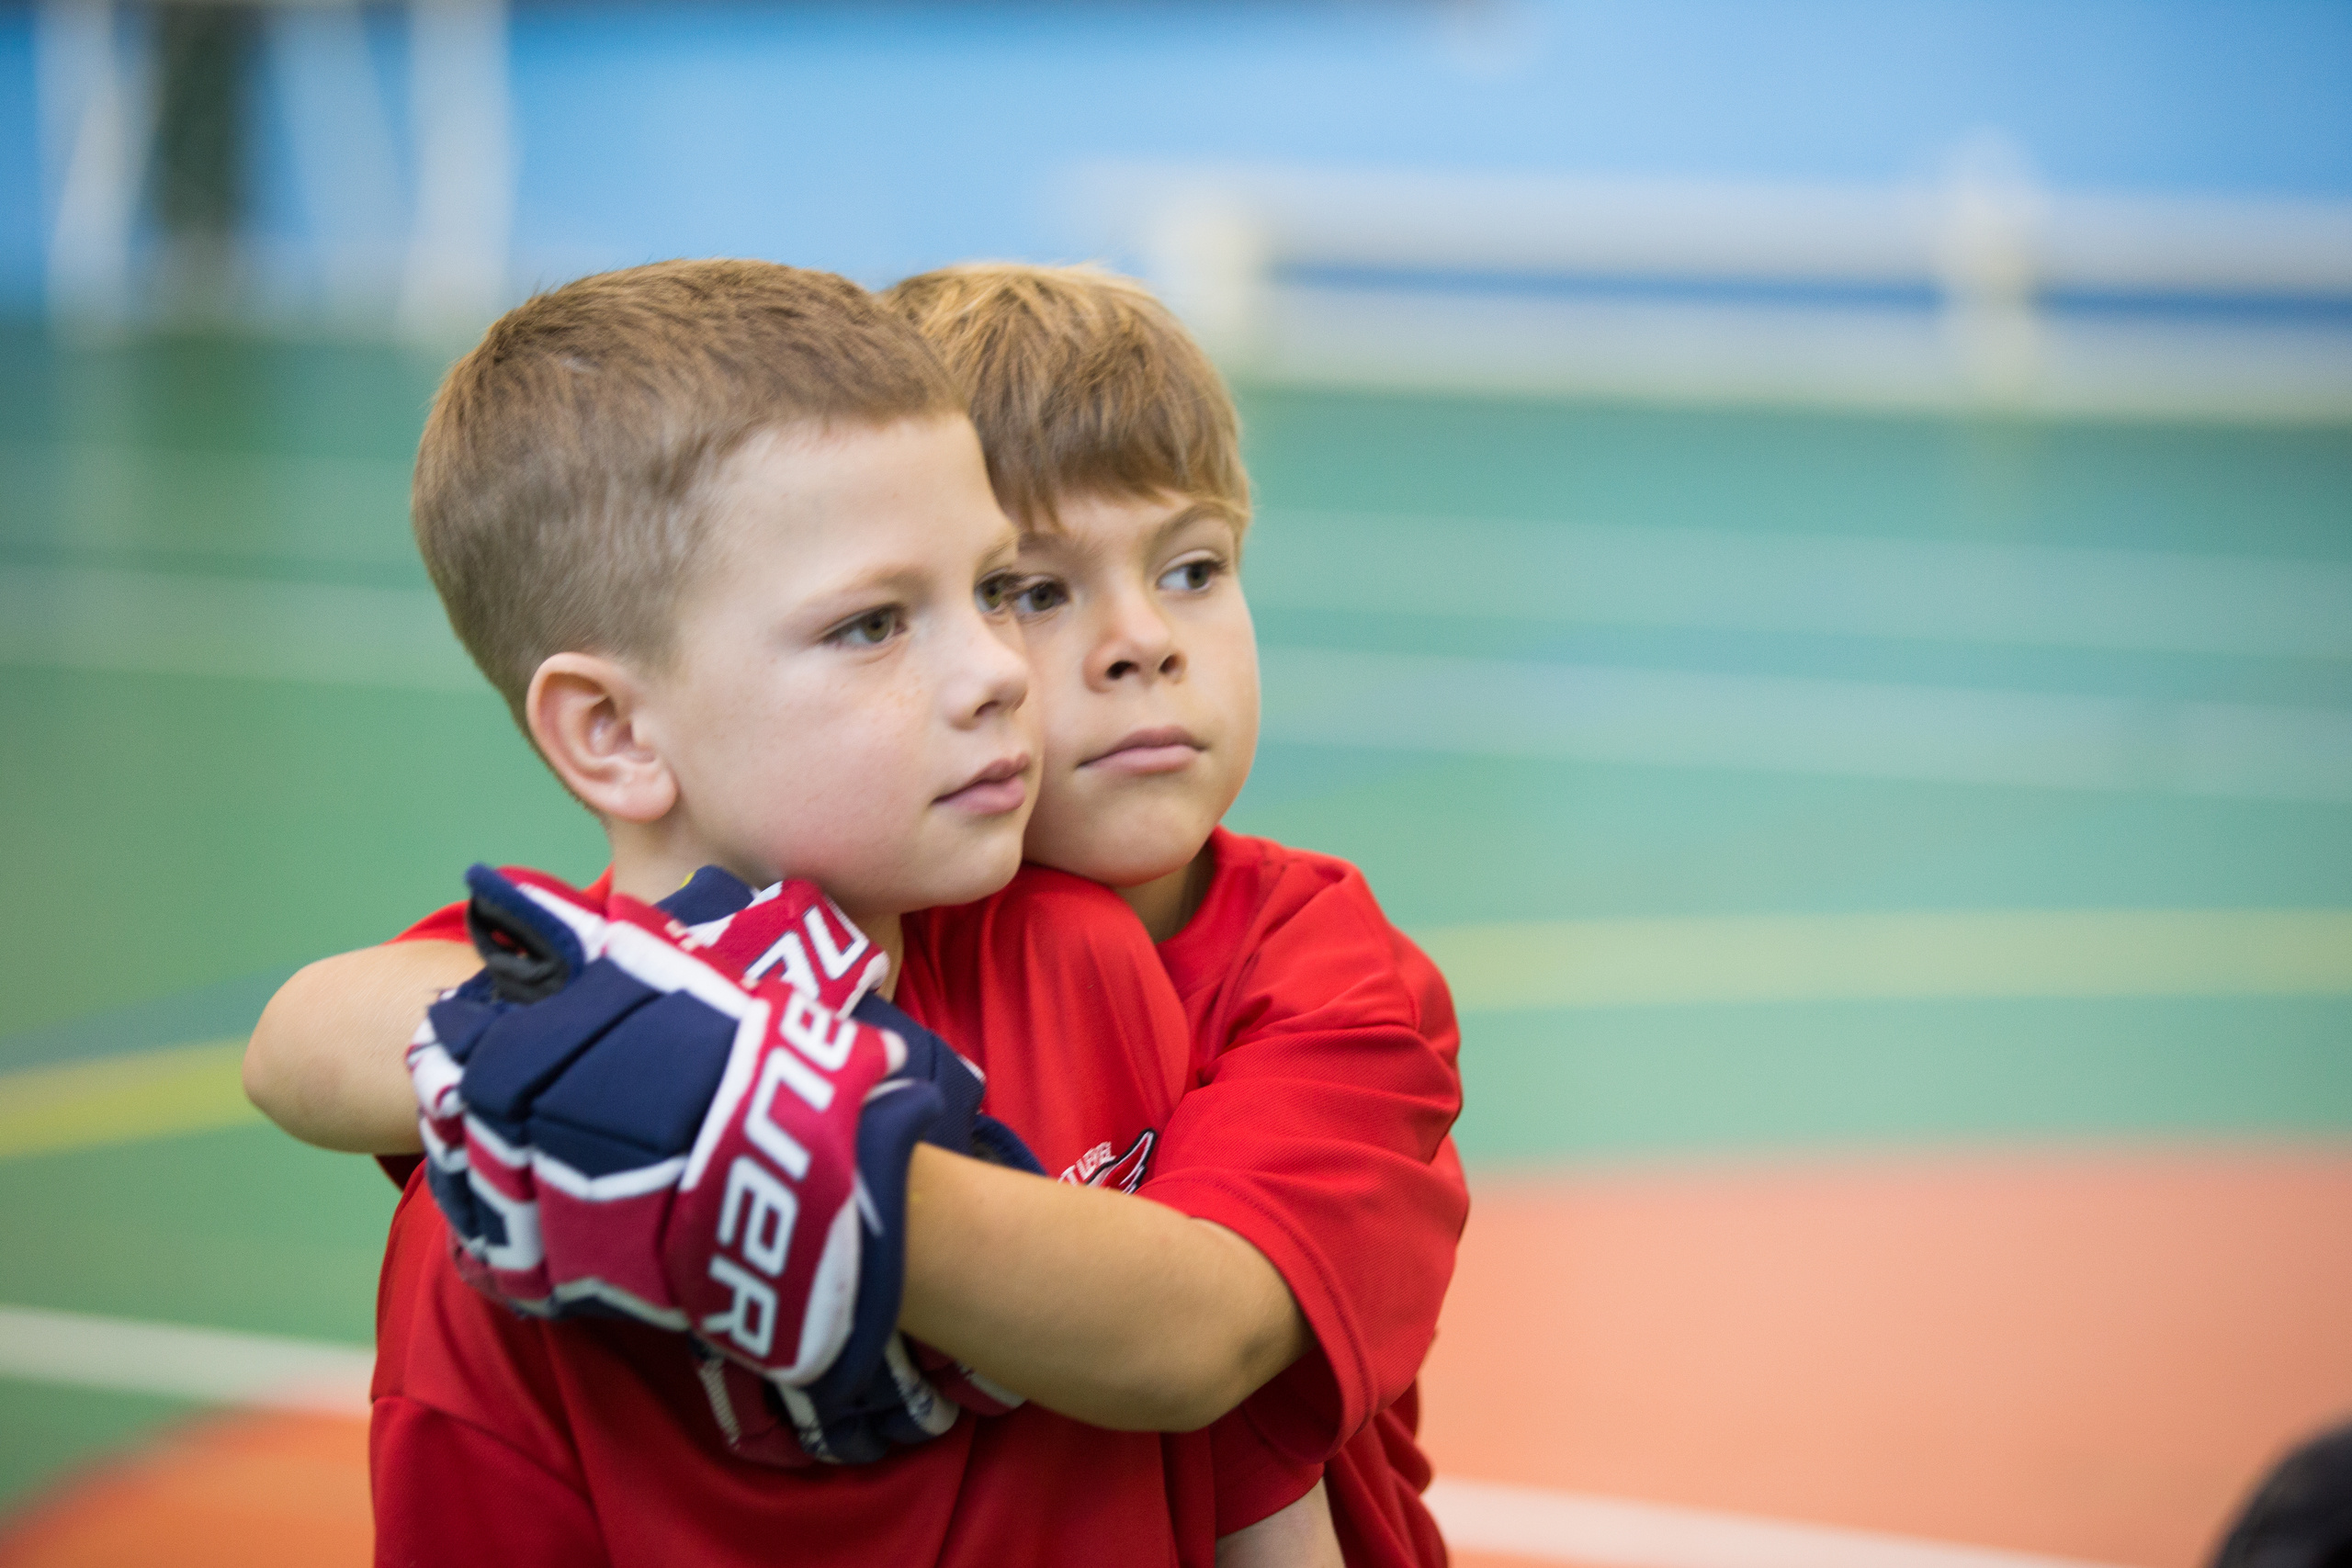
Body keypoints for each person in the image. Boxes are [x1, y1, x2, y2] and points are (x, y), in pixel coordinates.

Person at [243, 261, 1464, 1565]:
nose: (1018, 662)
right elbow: (323, 1034)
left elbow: (1204, 1354)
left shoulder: (1182, 966)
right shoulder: (555, 1120)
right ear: (611, 729)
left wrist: (789, 1157)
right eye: (1030, 591)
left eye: (1196, 567)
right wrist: (680, 1071)